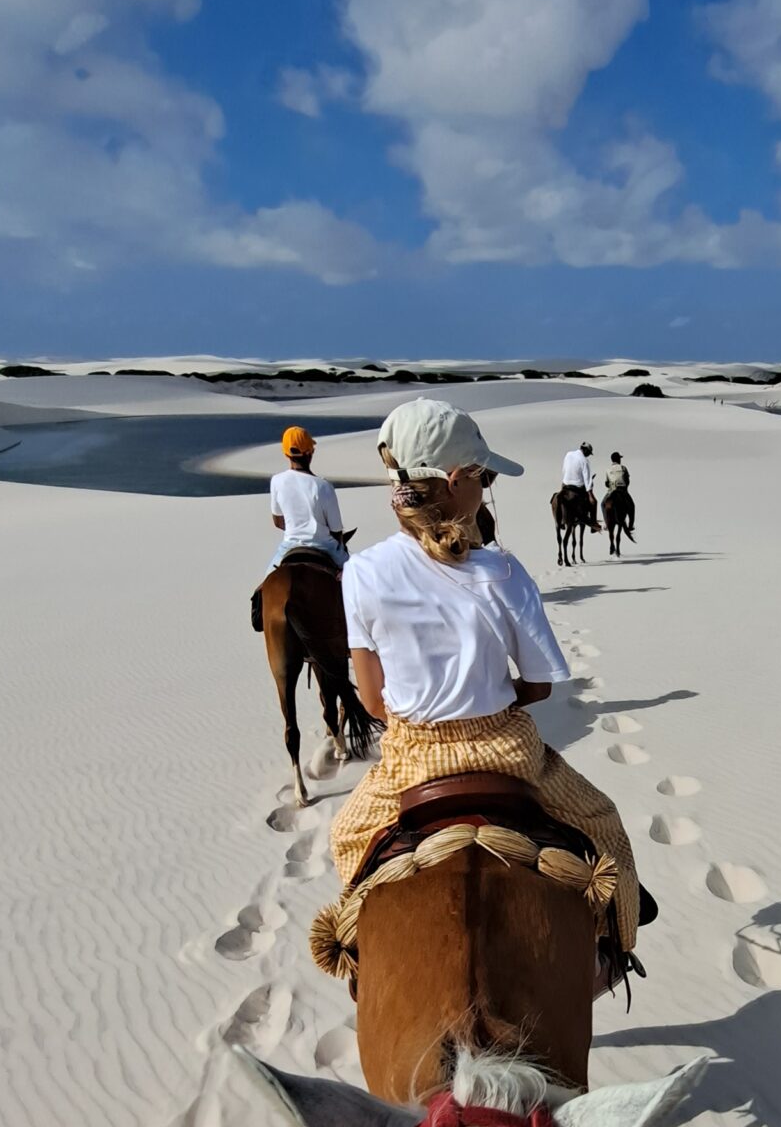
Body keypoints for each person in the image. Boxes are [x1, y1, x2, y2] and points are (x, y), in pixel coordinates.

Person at [328, 398, 641, 960]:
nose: (487, 487)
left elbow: (373, 700)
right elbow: (541, 685)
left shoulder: (362, 572)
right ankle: (616, 951)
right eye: (483, 475)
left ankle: (359, 963)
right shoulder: (502, 570)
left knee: (347, 838)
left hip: (410, 761)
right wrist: (493, 696)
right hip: (508, 753)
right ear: (455, 480)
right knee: (605, 825)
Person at [267, 425, 346, 571]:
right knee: (355, 579)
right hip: (325, 547)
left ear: (286, 454)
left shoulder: (277, 481)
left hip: (289, 546)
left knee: (265, 585)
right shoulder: (324, 486)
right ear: (310, 452)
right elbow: (336, 530)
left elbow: (278, 522)